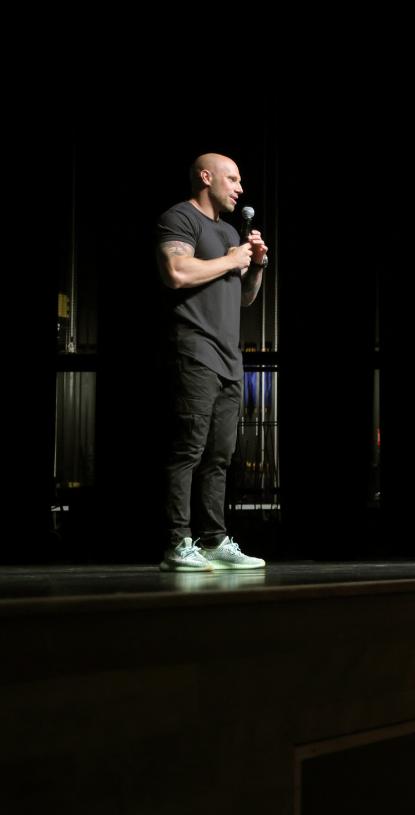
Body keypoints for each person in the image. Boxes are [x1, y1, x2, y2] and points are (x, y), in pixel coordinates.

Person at [156, 153, 268, 572]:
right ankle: (176, 542)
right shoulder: (181, 218)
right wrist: (232, 259)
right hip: (194, 348)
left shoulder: (227, 232)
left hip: (229, 356)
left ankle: (214, 539)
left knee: (220, 456)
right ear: (206, 177)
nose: (240, 188)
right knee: (188, 447)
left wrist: (254, 266)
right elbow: (176, 271)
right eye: (233, 178)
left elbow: (245, 296)